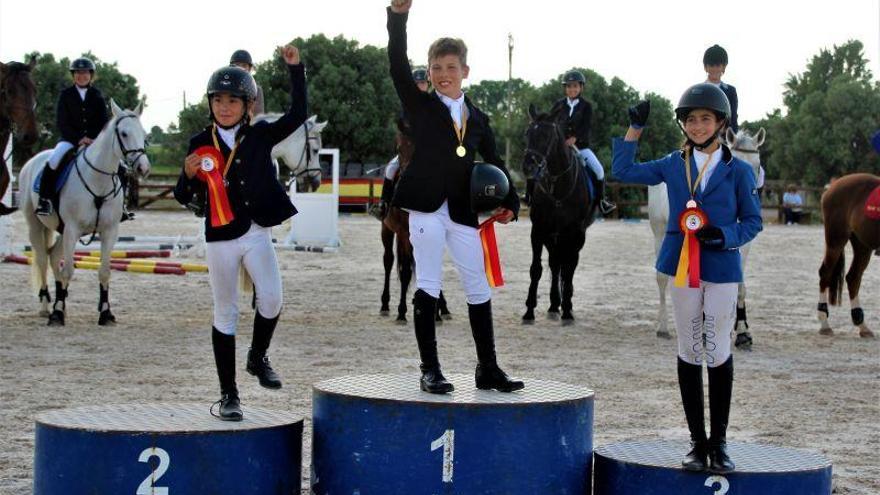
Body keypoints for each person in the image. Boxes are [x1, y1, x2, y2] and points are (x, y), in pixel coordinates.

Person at [612, 83, 762, 473]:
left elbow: (754, 221)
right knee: (689, 347)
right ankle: (697, 442)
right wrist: (634, 129)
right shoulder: (670, 163)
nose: (697, 126)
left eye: (705, 119)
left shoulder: (740, 171)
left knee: (718, 347)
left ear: (720, 123)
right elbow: (623, 169)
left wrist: (726, 236)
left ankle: (721, 442)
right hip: (681, 265)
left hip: (722, 268)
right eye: (691, 119)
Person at [387, 0, 523, 394]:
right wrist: (398, 19)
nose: (444, 74)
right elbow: (396, 61)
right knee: (428, 281)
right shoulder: (420, 105)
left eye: (451, 68)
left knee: (477, 285)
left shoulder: (479, 118)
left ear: (465, 71)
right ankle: (430, 370)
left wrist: (511, 202)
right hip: (426, 207)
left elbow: (495, 161)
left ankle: (488, 369)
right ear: (428, 73)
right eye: (437, 68)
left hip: (463, 211)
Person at [174, 45, 307, 421]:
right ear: (211, 103)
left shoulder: (262, 134)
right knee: (226, 311)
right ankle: (228, 394)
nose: (225, 106)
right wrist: (186, 176)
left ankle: (257, 355)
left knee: (272, 299)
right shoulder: (199, 144)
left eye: (233, 100)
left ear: (248, 104)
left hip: (256, 232)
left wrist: (295, 70)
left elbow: (299, 114)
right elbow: (185, 196)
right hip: (219, 237)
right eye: (218, 100)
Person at [547, 69, 616, 214]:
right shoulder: (558, 105)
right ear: (565, 88)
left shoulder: (586, 106)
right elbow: (551, 123)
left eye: (575, 86)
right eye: (569, 86)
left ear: (581, 88)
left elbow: (586, 126)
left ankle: (602, 201)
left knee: (599, 170)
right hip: (559, 148)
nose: (572, 89)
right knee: (540, 165)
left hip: (580, 148)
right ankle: (530, 196)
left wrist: (575, 138)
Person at [374, 67, 430, 219]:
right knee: (391, 169)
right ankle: (383, 204)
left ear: (427, 84)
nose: (420, 86)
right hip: (410, 145)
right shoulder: (407, 101)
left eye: (423, 83)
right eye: (417, 83)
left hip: (430, 149)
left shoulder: (433, 102)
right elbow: (403, 123)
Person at [703, 45, 738, 133]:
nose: (715, 69)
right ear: (706, 67)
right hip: (703, 134)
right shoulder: (698, 90)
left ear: (723, 67)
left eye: (718, 65)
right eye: (711, 65)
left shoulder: (731, 91)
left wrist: (733, 137)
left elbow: (733, 117)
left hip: (725, 136)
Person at [230, 49, 266, 116]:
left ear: (249, 69)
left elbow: (258, 116)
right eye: (237, 65)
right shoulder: (225, 87)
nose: (240, 68)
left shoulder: (257, 90)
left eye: (244, 65)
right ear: (231, 67)